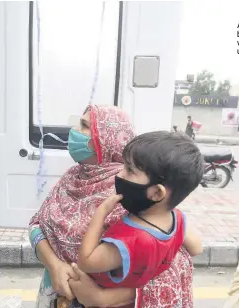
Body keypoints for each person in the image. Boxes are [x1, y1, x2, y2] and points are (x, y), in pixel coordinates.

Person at [29, 105, 199, 308]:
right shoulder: (72, 177)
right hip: (56, 294)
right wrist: (54, 265)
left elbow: (172, 263)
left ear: (105, 138)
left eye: (84, 126)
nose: (75, 130)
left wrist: (103, 298)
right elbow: (37, 224)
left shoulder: (132, 195)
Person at [77, 132, 204, 290]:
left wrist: (101, 212)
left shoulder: (129, 241)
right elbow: (197, 248)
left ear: (157, 193)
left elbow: (86, 262)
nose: (119, 174)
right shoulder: (176, 218)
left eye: (130, 170)